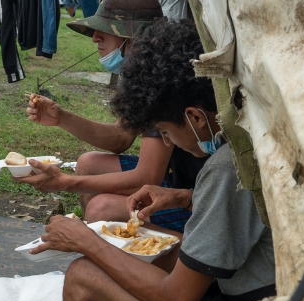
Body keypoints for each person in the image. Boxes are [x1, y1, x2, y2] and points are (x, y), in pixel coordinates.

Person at [31, 19, 276, 301]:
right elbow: (254, 209)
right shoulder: (259, 131)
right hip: (301, 298)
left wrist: (85, 241)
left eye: (164, 133)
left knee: (82, 275)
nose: (165, 139)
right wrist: (185, 198)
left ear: (196, 118)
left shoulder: (227, 167)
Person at [15, 0, 207, 233]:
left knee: (101, 208)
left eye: (105, 30)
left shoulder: (163, 80)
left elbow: (146, 177)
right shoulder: (143, 71)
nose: (95, 37)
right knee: (88, 163)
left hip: (196, 193)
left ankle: (124, 255)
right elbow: (121, 137)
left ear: (135, 37)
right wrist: (61, 118)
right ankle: (99, 244)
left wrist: (66, 182)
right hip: (177, 177)